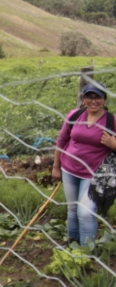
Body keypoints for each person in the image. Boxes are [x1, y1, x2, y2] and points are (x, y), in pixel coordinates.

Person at [52, 82, 116, 245]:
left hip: (95, 174)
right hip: (69, 169)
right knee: (73, 209)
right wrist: (56, 166)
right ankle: (73, 244)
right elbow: (62, 141)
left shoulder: (111, 121)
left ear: (104, 100)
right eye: (89, 97)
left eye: (98, 97)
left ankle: (87, 251)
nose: (93, 101)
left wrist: (114, 144)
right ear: (84, 98)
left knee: (86, 212)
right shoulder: (74, 115)